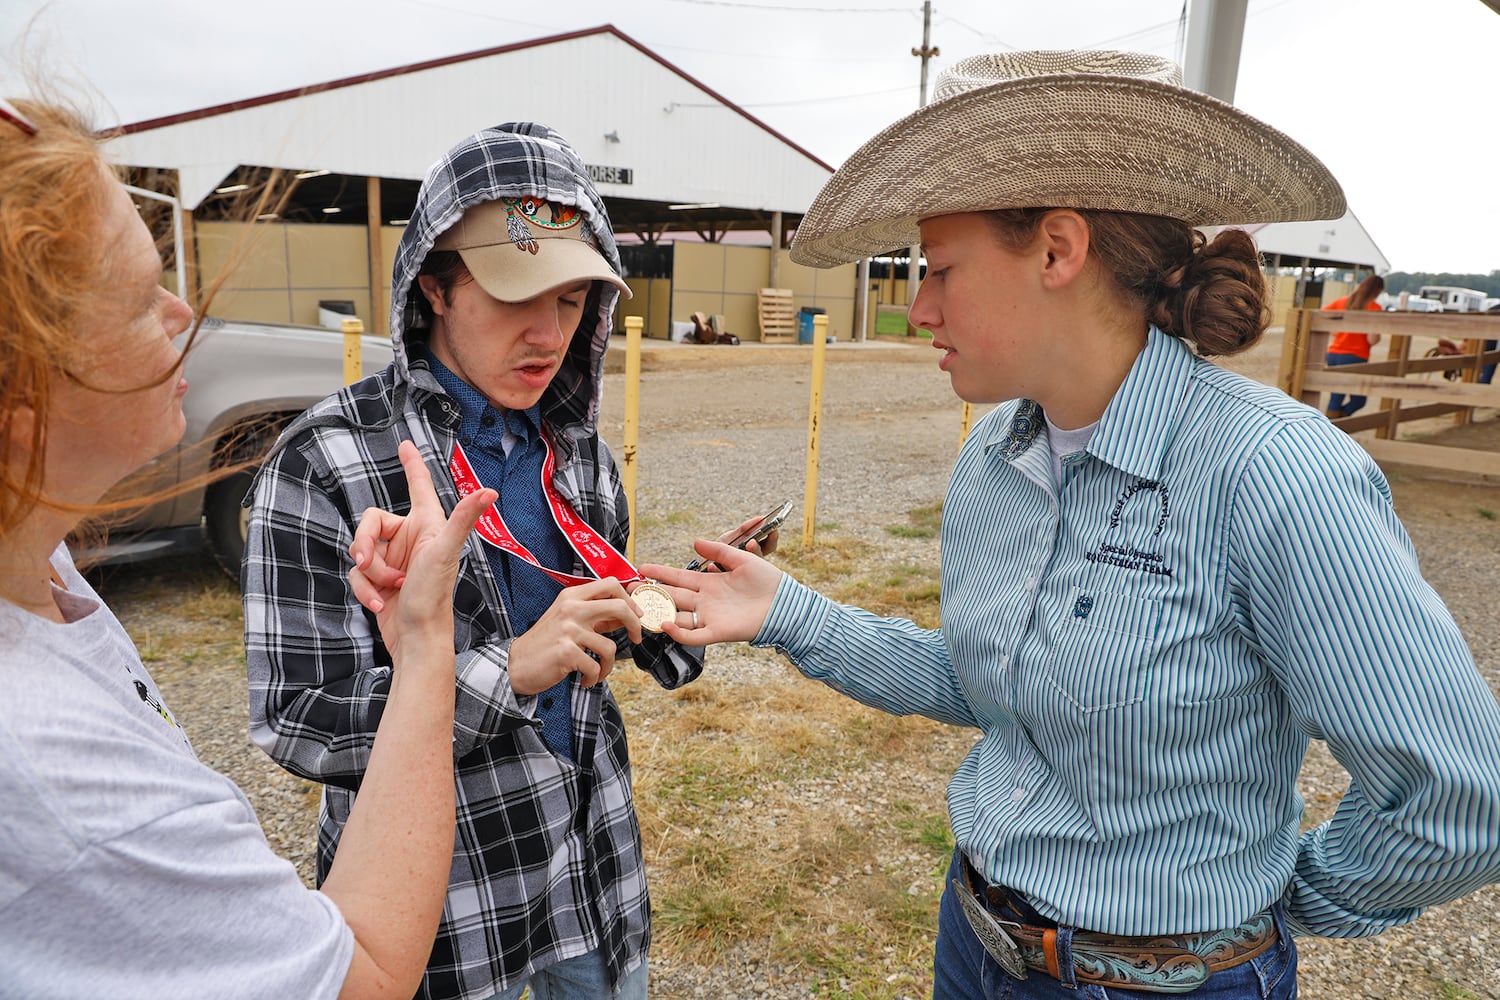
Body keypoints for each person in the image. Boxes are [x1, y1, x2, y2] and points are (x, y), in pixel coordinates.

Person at [640, 51, 1500, 998]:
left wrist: (1272, 913)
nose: (919, 307)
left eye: (942, 269)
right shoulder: (996, 457)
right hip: (975, 943)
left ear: (1057, 249)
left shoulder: (1273, 474)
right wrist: (789, 614)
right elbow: (988, 685)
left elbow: (1454, 798)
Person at [0, 95, 493, 998]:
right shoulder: (54, 773)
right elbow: (366, 973)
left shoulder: (37, 562)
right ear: (24, 407)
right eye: (136, 296)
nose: (180, 309)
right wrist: (433, 651)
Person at [242, 123, 706, 1000]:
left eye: (573, 301)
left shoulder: (578, 453)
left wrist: (668, 608)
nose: (548, 333)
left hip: (593, 873)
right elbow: (297, 719)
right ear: (434, 285)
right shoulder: (327, 460)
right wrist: (509, 673)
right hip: (447, 914)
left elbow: (588, 628)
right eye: (514, 296)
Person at [1322, 274, 1385, 417]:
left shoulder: (1343, 301)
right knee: (1358, 400)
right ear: (1378, 291)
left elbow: (1322, 313)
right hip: (1356, 355)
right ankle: (1336, 426)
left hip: (1333, 353)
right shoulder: (1374, 307)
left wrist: (1335, 330)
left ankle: (1336, 425)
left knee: (1336, 395)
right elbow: (1372, 340)